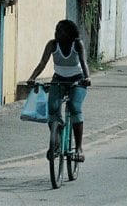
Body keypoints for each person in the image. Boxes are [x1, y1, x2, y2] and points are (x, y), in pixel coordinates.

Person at [28, 19, 91, 162]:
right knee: (53, 108)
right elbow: (42, 63)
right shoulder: (52, 45)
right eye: (56, 30)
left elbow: (83, 62)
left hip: (77, 80)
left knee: (74, 107)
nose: (57, 33)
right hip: (58, 79)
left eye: (60, 31)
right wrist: (32, 78)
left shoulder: (77, 44)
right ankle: (55, 140)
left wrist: (87, 78)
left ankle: (79, 148)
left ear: (69, 33)